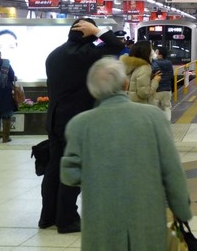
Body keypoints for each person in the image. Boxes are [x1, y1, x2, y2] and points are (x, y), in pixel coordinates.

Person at [60, 57, 192, 251]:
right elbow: (172, 171)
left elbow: (69, 175)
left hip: (101, 225)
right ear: (125, 83)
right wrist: (181, 209)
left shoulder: (79, 125)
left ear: (93, 89)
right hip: (147, 221)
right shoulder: (153, 117)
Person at [39, 18, 125, 233]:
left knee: (54, 168)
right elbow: (117, 46)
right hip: (75, 121)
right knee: (73, 168)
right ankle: (67, 220)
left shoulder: (55, 54)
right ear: (87, 35)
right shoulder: (85, 55)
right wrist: (97, 30)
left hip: (54, 118)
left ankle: (47, 217)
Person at [0, 49, 16, 143]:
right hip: (5, 91)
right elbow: (11, 76)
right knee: (6, 114)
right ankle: (5, 138)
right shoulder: (5, 63)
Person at [151, 46, 174, 121]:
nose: (154, 54)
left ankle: (158, 124)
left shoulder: (154, 63)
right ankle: (167, 123)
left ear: (160, 55)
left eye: (156, 52)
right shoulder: (169, 63)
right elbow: (171, 75)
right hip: (167, 89)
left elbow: (154, 72)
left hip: (157, 90)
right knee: (167, 107)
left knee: (155, 108)